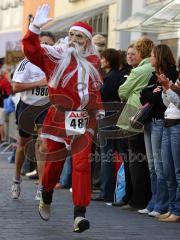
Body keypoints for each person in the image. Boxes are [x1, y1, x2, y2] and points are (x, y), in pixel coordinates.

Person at [22, 4, 103, 233]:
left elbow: (94, 91)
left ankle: (79, 214)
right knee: (54, 165)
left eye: (79, 36)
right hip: (58, 117)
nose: (74, 39)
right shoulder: (55, 56)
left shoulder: (94, 62)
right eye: (71, 34)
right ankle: (46, 194)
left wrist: (97, 111)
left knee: (81, 165)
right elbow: (32, 51)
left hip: (83, 119)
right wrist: (34, 28)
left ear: (87, 41)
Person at [11, 31, 55, 200]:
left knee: (43, 145)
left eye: (49, 44)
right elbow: (15, 87)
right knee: (23, 144)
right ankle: (16, 179)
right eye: (43, 43)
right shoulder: (26, 63)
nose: (46, 47)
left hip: (46, 108)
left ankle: (42, 186)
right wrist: (40, 83)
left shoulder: (56, 63)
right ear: (37, 45)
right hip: (27, 107)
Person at [138, 44, 179, 217]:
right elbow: (144, 94)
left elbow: (154, 97)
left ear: (160, 56)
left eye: (153, 55)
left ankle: (162, 204)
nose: (150, 58)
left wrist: (157, 91)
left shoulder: (171, 74)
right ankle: (156, 202)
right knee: (153, 166)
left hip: (162, 122)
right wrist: (153, 92)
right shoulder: (155, 75)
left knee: (162, 167)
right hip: (151, 121)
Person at [116, 37, 154, 209]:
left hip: (134, 115)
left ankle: (136, 200)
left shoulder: (139, 70)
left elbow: (122, 92)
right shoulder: (152, 68)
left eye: (135, 52)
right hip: (147, 117)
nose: (131, 55)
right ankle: (143, 198)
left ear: (141, 52)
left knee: (135, 160)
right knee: (145, 161)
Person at [157, 74, 180, 222]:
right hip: (168, 124)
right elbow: (168, 103)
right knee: (168, 170)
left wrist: (167, 88)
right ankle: (172, 208)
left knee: (178, 171)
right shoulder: (178, 80)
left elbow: (178, 102)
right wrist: (166, 90)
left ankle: (177, 210)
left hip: (177, 126)